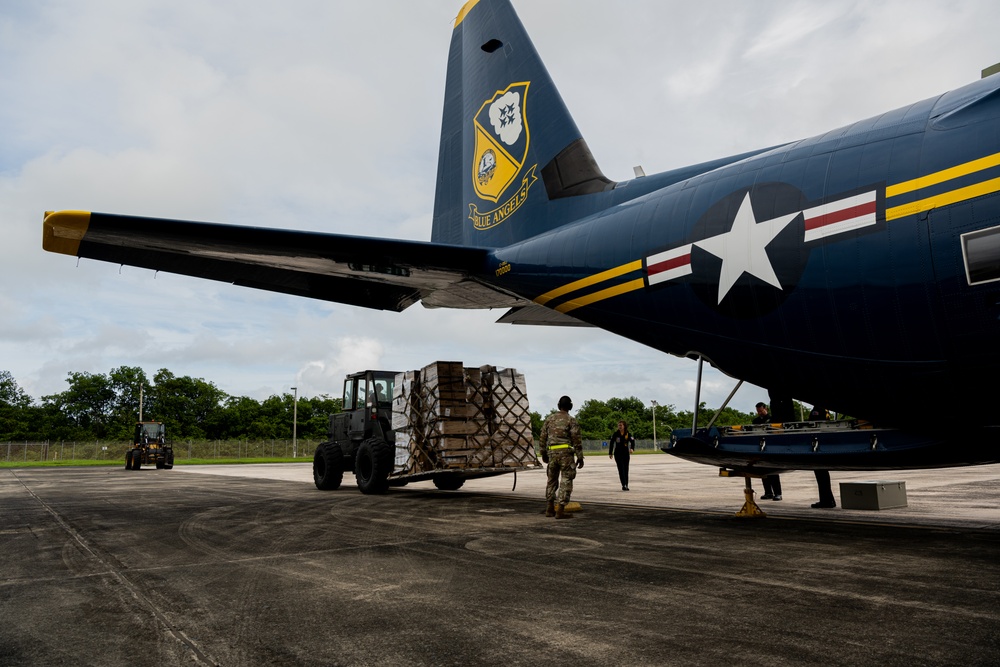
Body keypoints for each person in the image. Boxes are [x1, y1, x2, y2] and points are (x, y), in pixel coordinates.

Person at [539, 395, 584, 519]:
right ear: (570, 406)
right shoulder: (571, 420)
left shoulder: (549, 419)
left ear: (558, 406)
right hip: (566, 455)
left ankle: (549, 508)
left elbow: (542, 437)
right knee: (566, 480)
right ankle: (560, 510)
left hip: (552, 454)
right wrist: (580, 457)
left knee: (551, 480)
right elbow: (577, 440)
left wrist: (543, 453)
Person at [753, 402, 782, 501]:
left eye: (761, 411)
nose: (759, 413)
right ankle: (768, 492)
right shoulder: (756, 421)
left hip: (771, 447)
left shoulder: (773, 419)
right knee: (764, 472)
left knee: (773, 472)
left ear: (766, 409)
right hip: (761, 447)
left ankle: (778, 493)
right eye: (758, 411)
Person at [809, 406, 836, 508]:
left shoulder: (817, 410)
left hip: (818, 444)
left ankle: (826, 500)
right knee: (823, 474)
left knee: (820, 474)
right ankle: (828, 499)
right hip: (823, 444)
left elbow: (813, 425)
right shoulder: (825, 409)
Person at [608, 420, 635, 491]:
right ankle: (623, 485)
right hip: (618, 453)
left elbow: (632, 441)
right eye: (619, 425)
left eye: (621, 425)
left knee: (626, 469)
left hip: (625, 453)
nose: (619, 427)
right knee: (621, 469)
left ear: (624, 426)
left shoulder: (627, 434)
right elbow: (611, 443)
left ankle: (626, 484)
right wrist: (610, 453)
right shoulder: (616, 434)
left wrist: (632, 448)